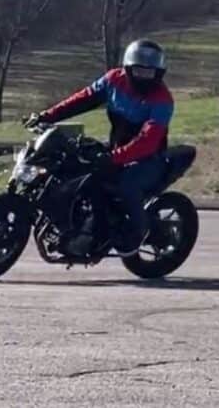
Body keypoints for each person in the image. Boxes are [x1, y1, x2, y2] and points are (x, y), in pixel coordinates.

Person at [24, 39, 174, 256]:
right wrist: (47, 115)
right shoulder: (114, 80)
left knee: (126, 187)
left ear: (159, 73)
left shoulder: (162, 100)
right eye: (139, 71)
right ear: (128, 68)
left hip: (148, 157)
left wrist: (114, 157)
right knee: (73, 170)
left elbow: (148, 140)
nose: (143, 77)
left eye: (149, 73)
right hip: (116, 149)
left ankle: (137, 232)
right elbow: (82, 99)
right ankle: (78, 225)